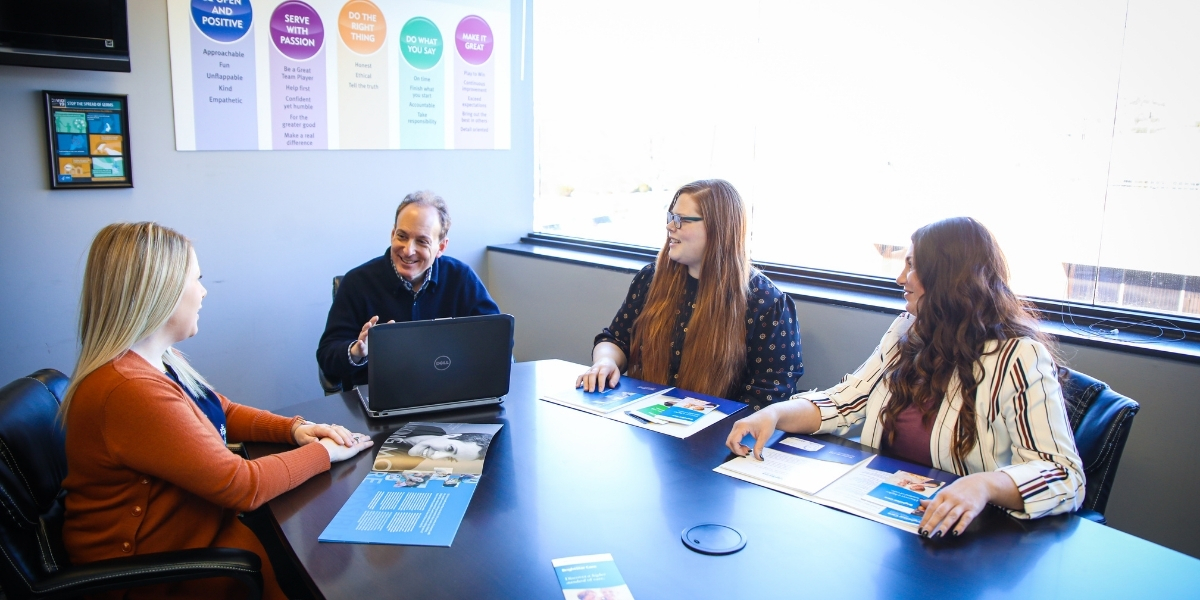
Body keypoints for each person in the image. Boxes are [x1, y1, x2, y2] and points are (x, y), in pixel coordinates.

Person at [60, 222, 374, 600]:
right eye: (197, 279)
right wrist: (323, 452)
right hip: (153, 573)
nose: (205, 292)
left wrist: (294, 430)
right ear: (161, 292)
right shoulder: (129, 390)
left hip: (200, 535)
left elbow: (218, 408)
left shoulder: (157, 359)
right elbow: (242, 486)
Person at [725, 217, 1084, 538]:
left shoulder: (1018, 356)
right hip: (889, 516)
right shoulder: (907, 328)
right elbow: (845, 401)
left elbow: (1064, 474)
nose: (900, 279)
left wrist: (984, 486)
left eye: (912, 266)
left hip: (968, 533)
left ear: (948, 276)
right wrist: (774, 414)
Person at [576, 179, 802, 409]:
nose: (670, 227)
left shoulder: (767, 303)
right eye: (670, 217)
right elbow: (616, 339)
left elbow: (770, 398)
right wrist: (605, 361)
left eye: (682, 220)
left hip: (721, 435)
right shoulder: (650, 279)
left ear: (718, 228)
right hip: (649, 423)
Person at [317, 190, 500, 391]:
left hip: (449, 394)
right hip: (379, 401)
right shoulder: (357, 282)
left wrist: (458, 344)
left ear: (441, 247)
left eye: (422, 241)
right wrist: (356, 352)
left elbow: (498, 340)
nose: (408, 250)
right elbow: (327, 357)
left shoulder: (461, 278)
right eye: (402, 236)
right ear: (392, 234)